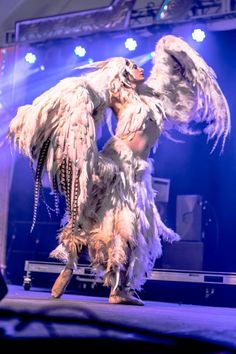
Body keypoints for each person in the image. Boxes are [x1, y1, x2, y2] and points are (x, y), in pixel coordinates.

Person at [8, 35, 230, 305]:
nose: (140, 68)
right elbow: (90, 95)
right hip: (117, 163)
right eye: (133, 67)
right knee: (101, 219)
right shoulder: (119, 97)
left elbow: (173, 64)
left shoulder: (153, 93)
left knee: (126, 229)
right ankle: (79, 270)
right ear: (123, 74)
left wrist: (174, 50)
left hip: (139, 170)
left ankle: (117, 287)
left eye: (138, 66)